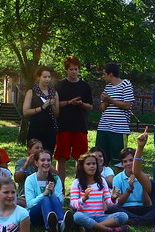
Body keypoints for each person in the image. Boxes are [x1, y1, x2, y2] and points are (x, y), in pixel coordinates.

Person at [53, 55, 94, 183]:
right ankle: (60, 187)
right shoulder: (59, 85)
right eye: (71, 69)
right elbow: (54, 104)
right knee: (61, 157)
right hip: (63, 126)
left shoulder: (84, 86)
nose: (73, 72)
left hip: (80, 126)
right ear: (66, 70)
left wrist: (81, 104)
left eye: (76, 69)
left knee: (81, 158)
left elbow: (90, 106)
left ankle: (79, 185)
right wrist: (69, 102)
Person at [68, 152, 129, 232]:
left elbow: (109, 204)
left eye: (94, 164)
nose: (92, 166)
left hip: (100, 217)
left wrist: (113, 198)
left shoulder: (102, 181)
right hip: (85, 216)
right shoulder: (77, 182)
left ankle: (91, 228)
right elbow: (73, 204)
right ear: (82, 166)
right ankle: (108, 229)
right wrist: (84, 199)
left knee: (123, 216)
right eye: (88, 164)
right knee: (77, 216)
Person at [95, 63, 134, 168]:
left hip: (119, 129)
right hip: (103, 127)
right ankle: (102, 178)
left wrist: (110, 100)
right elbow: (101, 108)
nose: (103, 76)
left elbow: (127, 105)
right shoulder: (107, 87)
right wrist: (105, 102)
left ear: (111, 74)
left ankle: (119, 178)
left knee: (119, 160)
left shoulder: (126, 84)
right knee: (100, 158)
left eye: (104, 74)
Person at [109, 147, 154, 226]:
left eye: (131, 160)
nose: (128, 163)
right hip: (125, 209)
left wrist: (144, 186)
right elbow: (119, 202)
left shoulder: (144, 177)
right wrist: (129, 189)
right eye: (125, 161)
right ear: (122, 164)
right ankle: (143, 220)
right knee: (112, 209)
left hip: (141, 208)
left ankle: (135, 220)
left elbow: (147, 203)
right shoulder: (117, 178)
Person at [23, 149, 65, 232]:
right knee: (45, 199)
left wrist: (53, 192)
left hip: (54, 213)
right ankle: (50, 226)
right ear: (36, 163)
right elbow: (30, 204)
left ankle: (61, 224)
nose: (46, 163)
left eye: (48, 160)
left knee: (53, 197)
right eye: (42, 160)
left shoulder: (56, 178)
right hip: (35, 215)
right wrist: (44, 194)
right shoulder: (30, 179)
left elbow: (61, 202)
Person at [22, 66, 60, 155]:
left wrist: (52, 104)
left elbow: (57, 114)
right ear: (38, 77)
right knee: (34, 155)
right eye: (44, 77)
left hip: (50, 129)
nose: (47, 79)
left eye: (49, 77)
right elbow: (25, 112)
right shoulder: (31, 92)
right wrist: (42, 107)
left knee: (48, 154)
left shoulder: (54, 93)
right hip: (35, 127)